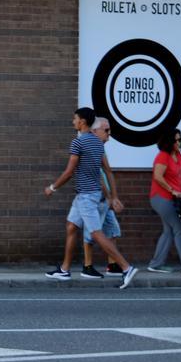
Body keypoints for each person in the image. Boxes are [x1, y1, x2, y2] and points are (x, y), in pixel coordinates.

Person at [44, 107, 139, 290]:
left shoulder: (78, 143)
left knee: (96, 233)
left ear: (83, 122)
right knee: (71, 226)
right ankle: (64, 269)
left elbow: (69, 172)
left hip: (87, 197)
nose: (73, 122)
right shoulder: (97, 143)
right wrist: (114, 196)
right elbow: (108, 171)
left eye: (75, 119)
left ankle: (127, 268)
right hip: (88, 195)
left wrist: (52, 187)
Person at [147, 127, 181, 274]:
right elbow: (158, 177)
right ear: (169, 141)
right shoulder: (163, 156)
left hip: (173, 198)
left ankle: (156, 264)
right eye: (176, 139)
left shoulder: (177, 155)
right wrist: (172, 190)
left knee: (168, 231)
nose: (179, 142)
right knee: (180, 228)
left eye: (180, 139)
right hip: (161, 198)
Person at [81, 116, 124, 278]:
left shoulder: (100, 147)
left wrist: (112, 197)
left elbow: (107, 173)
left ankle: (112, 265)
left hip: (105, 199)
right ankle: (87, 266)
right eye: (106, 130)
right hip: (96, 198)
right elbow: (98, 176)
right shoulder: (91, 148)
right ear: (94, 131)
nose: (109, 134)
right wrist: (110, 197)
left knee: (112, 230)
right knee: (91, 232)